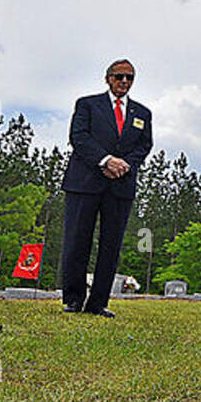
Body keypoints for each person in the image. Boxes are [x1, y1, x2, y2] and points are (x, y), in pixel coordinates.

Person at [60, 58, 153, 317]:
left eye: (129, 78)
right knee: (78, 241)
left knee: (110, 246)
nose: (124, 82)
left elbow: (144, 146)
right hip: (85, 183)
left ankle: (98, 302)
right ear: (108, 78)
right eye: (119, 76)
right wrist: (105, 160)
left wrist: (123, 165)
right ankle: (74, 298)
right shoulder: (87, 105)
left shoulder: (142, 114)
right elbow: (78, 137)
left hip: (120, 186)